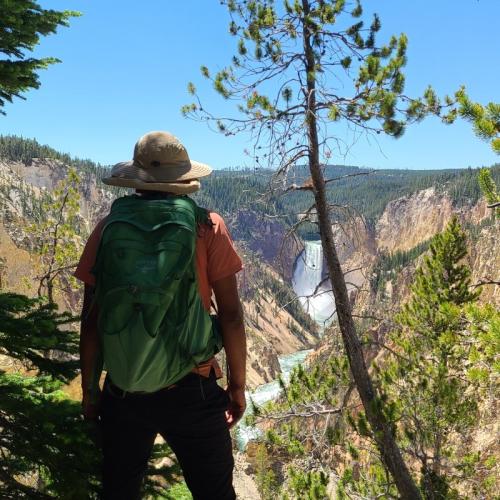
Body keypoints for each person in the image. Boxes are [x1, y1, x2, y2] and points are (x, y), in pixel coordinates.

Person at [75, 131, 246, 500]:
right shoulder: (208, 226)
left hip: (124, 389)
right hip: (192, 386)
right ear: (182, 179)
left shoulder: (107, 229)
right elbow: (231, 317)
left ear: (136, 178)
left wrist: (90, 392)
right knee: (215, 493)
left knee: (119, 491)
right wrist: (237, 388)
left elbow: (90, 322)